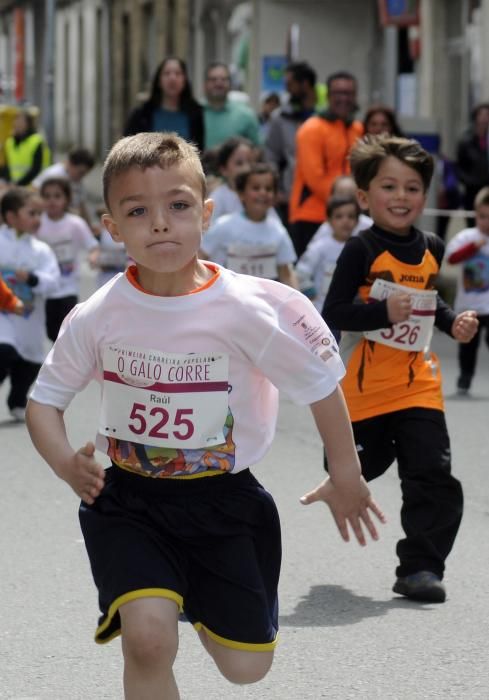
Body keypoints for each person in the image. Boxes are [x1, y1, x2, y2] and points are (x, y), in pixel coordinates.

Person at [25, 131, 384, 698]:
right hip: (129, 501)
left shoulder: (240, 310)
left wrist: (346, 474)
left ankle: (199, 607)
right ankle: (160, 609)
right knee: (146, 640)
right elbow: (43, 402)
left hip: (224, 502)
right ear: (112, 227)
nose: (160, 223)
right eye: (138, 210)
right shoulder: (98, 315)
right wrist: (67, 464)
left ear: (206, 213)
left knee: (246, 666)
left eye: (178, 205)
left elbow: (319, 384)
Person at [322, 135, 479, 603]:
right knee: (356, 466)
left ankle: (421, 568)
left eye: (412, 188)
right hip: (365, 388)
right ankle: (340, 468)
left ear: (425, 197)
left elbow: (432, 303)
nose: (401, 197)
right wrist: (380, 313)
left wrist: (456, 323)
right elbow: (335, 312)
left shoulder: (431, 245)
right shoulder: (361, 249)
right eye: (389, 187)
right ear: (366, 197)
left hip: (417, 385)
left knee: (432, 475)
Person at [289, 71, 364, 257]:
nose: (343, 98)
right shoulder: (312, 128)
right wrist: (349, 200)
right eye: (338, 93)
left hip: (349, 218)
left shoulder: (359, 129)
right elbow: (315, 178)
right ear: (328, 96)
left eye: (348, 93)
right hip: (311, 216)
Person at [0, 187, 59, 421]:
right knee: (3, 351)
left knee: (30, 361)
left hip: (29, 316)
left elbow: (53, 282)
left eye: (39, 214)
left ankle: (16, 400)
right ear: (12, 216)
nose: (37, 219)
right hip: (3, 315)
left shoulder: (41, 251)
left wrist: (34, 279)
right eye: (31, 213)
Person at [202, 162, 298, 288]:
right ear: (241, 194)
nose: (262, 193)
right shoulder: (224, 226)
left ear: (275, 196)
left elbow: (286, 272)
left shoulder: (278, 231)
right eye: (256, 188)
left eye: (268, 189)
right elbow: (201, 257)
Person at [37, 177, 99, 341]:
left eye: (57, 196)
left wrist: (93, 257)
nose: (52, 201)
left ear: (67, 199)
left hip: (68, 287)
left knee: (64, 333)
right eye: (47, 196)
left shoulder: (75, 223)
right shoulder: (37, 223)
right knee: (50, 333)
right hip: (44, 290)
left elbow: (93, 245)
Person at [445, 186, 489, 394]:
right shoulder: (467, 237)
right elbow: (451, 258)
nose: (486, 222)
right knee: (468, 344)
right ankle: (465, 378)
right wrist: (473, 247)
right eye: (482, 216)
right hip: (469, 305)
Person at [264, 61, 318, 228]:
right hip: (289, 196)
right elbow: (271, 155)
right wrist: (275, 189)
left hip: (319, 195)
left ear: (305, 84)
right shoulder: (280, 118)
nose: (287, 90)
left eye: (290, 84)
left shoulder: (323, 116)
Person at [123, 56, 204, 152]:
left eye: (178, 73)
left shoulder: (196, 114)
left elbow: (200, 151)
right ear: (159, 81)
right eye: (167, 73)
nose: (172, 78)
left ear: (184, 81)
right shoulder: (142, 115)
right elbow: (127, 150)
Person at [296, 195, 360, 314]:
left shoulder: (361, 248)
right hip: (322, 314)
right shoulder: (319, 248)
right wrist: (312, 302)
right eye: (339, 216)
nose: (345, 221)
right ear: (329, 220)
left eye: (351, 216)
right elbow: (300, 274)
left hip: (350, 314)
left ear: (357, 221)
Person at [32, 147, 96, 228]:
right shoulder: (53, 175)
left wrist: (89, 227)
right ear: (70, 164)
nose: (82, 176)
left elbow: (81, 205)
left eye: (85, 174)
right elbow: (34, 195)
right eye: (81, 172)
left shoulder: (77, 181)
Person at [203, 62, 261, 149]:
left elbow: (258, 148)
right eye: (213, 79)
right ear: (205, 84)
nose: (219, 83)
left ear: (230, 84)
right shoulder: (193, 112)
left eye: (224, 79)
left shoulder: (246, 115)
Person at [308, 175, 373, 246]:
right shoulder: (326, 228)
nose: (346, 199)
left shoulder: (368, 225)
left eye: (350, 194)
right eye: (341, 194)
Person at [456, 102, 489, 226]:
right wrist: (469, 181)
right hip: (472, 190)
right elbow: (459, 166)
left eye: (488, 114)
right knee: (472, 222)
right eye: (482, 114)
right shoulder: (466, 140)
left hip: (488, 187)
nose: (485, 118)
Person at [208, 136, 254, 224]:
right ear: (224, 169)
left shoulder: (257, 195)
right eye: (239, 163)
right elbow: (209, 232)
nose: (247, 168)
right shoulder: (218, 198)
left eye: (250, 162)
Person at [2, 110, 51, 186]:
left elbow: (36, 168)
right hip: (15, 187)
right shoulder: (10, 142)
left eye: (20, 121)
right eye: (16, 120)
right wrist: (10, 182)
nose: (17, 123)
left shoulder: (36, 140)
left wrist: (19, 183)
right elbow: (7, 166)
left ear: (28, 124)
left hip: (34, 187)